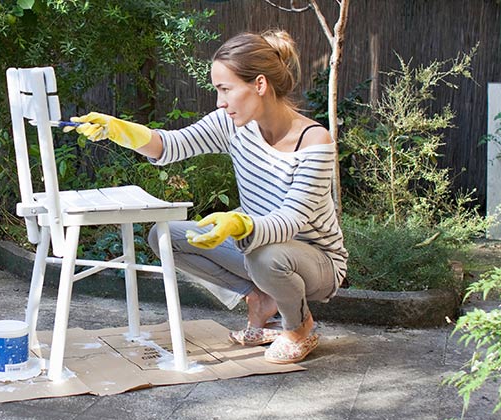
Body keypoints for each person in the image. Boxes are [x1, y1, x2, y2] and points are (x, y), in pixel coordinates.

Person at [68, 29, 348, 364]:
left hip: (315, 261)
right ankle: (258, 296)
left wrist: (240, 224)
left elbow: (290, 221)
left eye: (225, 89)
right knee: (164, 236)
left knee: (265, 257)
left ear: (259, 84)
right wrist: (119, 130)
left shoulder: (314, 142)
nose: (220, 101)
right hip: (257, 244)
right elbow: (170, 146)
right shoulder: (232, 124)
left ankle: (299, 328)